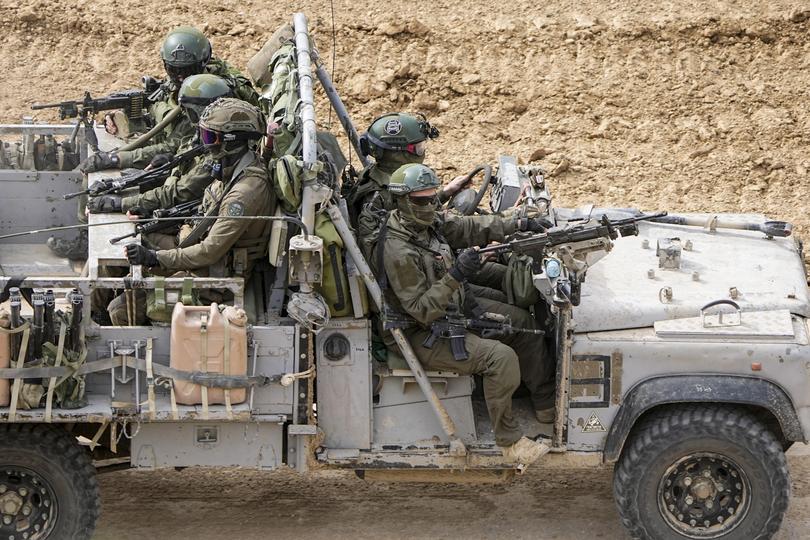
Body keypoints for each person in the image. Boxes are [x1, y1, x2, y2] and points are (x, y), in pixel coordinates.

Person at [379, 163, 555, 466]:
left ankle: (545, 407)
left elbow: (469, 227)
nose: (430, 205)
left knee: (522, 322)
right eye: (422, 200)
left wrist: (517, 222)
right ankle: (509, 442)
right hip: (418, 332)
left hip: (448, 309)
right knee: (500, 359)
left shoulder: (422, 222)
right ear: (402, 201)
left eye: (433, 198)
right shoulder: (398, 249)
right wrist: (458, 274)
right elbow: (421, 310)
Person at [112, 98, 274, 324]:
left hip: (216, 276)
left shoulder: (244, 194)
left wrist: (155, 258)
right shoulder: (235, 169)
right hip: (201, 253)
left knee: (119, 308)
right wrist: (156, 216)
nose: (205, 144)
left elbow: (209, 251)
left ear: (230, 141)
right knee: (134, 238)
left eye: (210, 137)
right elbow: (204, 214)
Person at [79, 26, 260, 174]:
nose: (180, 77)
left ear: (204, 63)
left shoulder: (207, 95)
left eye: (187, 71)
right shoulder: (183, 78)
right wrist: (122, 118)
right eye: (173, 70)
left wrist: (118, 158)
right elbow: (161, 118)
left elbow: (177, 145)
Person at [85, 74, 234, 223]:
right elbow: (182, 159)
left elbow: (180, 192)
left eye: (190, 111)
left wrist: (120, 203)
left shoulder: (217, 151)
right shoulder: (207, 135)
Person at [346, 112, 470, 260]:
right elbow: (421, 228)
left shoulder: (379, 176)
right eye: (418, 148)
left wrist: (446, 192)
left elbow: (417, 210)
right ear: (396, 153)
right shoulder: (386, 193)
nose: (422, 152)